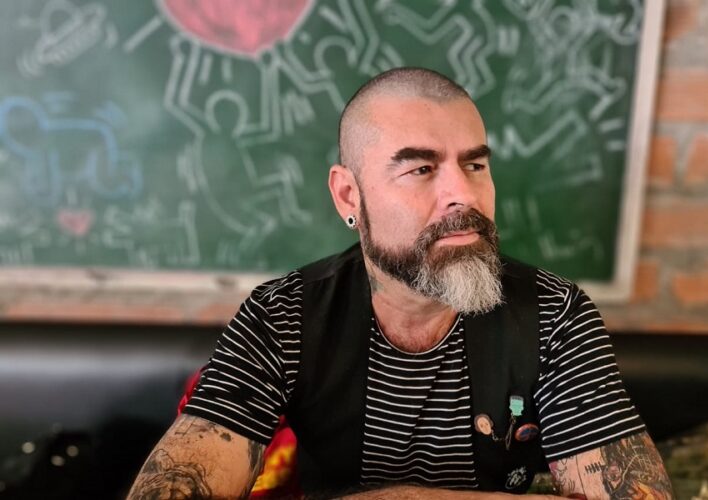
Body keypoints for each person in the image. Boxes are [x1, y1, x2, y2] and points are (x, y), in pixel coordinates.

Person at [127, 67, 673, 499]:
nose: (463, 196)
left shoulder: (553, 314)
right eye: (421, 169)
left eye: (475, 166)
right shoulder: (284, 315)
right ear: (349, 196)